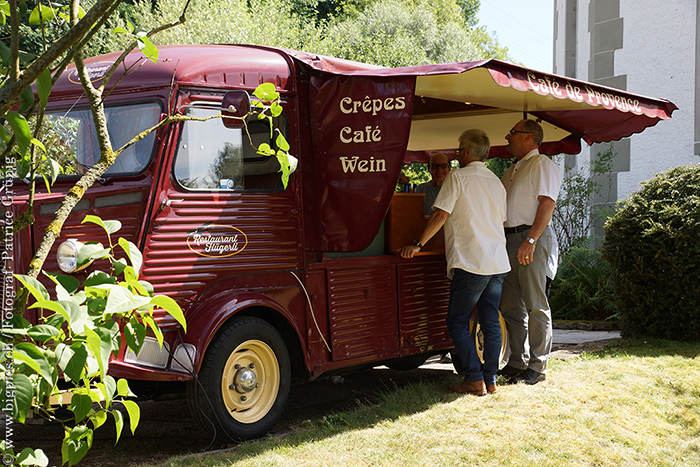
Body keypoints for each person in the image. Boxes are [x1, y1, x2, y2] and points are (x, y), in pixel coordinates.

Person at [399, 129, 510, 396]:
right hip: (497, 261)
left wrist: (418, 244)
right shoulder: (496, 181)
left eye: (458, 151)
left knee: (457, 322)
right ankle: (491, 379)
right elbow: (500, 220)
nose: (456, 155)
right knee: (490, 322)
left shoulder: (457, 177)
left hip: (471, 261)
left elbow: (439, 216)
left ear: (467, 153)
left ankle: (473, 378)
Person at [498, 119, 562, 385]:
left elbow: (547, 203)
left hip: (530, 238)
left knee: (536, 304)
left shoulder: (542, 164)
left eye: (512, 133)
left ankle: (537, 366)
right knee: (511, 305)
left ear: (529, 138)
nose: (507, 136)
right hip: (510, 239)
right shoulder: (511, 169)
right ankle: (517, 361)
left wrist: (532, 239)